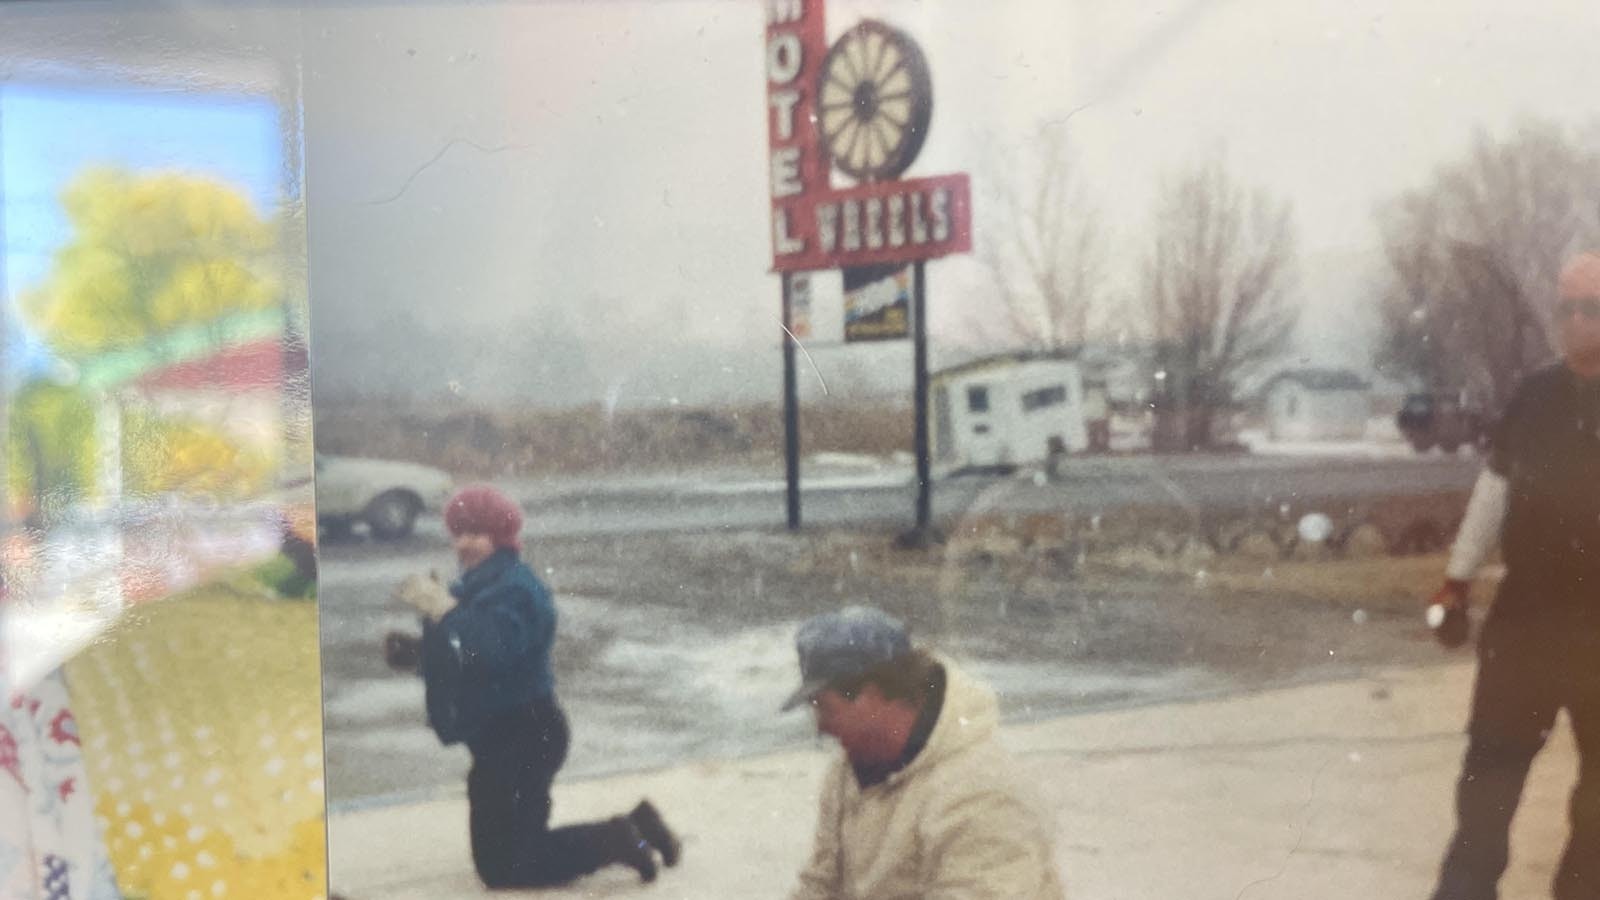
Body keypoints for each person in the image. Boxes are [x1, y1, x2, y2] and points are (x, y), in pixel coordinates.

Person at [384, 484, 680, 888]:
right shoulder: (474, 587)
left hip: (526, 734)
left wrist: (445, 613)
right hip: (499, 737)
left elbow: (489, 650)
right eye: (458, 532)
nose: (464, 543)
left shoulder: (517, 589)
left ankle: (618, 840)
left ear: (501, 537)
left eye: (477, 533)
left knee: (508, 866)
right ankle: (641, 824)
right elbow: (467, 660)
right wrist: (420, 655)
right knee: (503, 856)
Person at [1426, 251, 1600, 900]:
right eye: (1567, 307)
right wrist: (1457, 578)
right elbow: (1494, 489)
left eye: (1592, 308)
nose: (1576, 321)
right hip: (1527, 619)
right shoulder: (1534, 395)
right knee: (1488, 779)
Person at [779, 605, 1065, 900]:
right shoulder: (848, 771)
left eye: (825, 708)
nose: (821, 727)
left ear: (873, 695)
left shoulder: (985, 793)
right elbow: (819, 885)